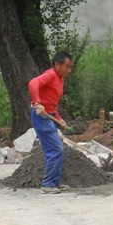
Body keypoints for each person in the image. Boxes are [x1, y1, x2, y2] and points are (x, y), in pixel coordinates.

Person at [28, 51, 74, 194]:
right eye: (67, 66)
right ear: (57, 65)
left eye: (70, 67)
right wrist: (37, 102)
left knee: (56, 148)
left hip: (50, 115)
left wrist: (59, 118)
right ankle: (48, 184)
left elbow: (52, 102)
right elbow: (33, 83)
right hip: (42, 116)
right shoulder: (50, 75)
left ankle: (54, 182)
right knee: (55, 149)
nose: (69, 70)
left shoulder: (60, 78)